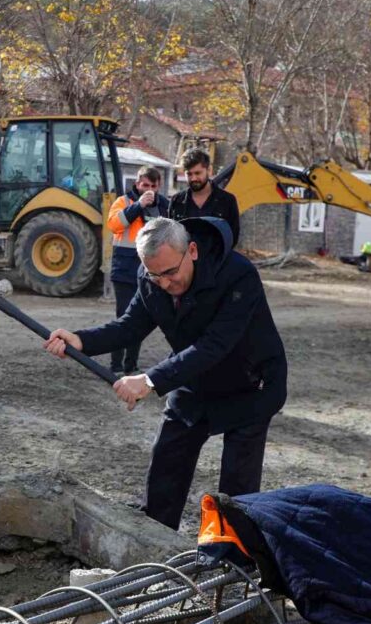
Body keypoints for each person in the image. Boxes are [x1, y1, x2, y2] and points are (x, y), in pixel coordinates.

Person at [44, 217, 288, 530]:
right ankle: (155, 540)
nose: (164, 283)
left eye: (171, 272)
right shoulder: (153, 278)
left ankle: (234, 556)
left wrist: (148, 380)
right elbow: (131, 325)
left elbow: (213, 346)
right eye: (154, 274)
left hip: (252, 382)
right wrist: (82, 340)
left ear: (193, 252)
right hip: (194, 379)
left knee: (237, 484)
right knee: (167, 463)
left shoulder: (238, 275)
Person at [106, 166, 170, 375]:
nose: (149, 189)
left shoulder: (164, 205)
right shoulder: (123, 202)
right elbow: (114, 225)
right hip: (124, 271)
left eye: (153, 186)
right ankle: (115, 366)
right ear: (137, 184)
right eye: (145, 185)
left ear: (158, 186)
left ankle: (130, 366)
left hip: (150, 272)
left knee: (140, 320)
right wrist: (138, 206)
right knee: (123, 318)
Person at [169, 149, 240, 247]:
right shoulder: (176, 201)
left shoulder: (227, 201)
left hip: (217, 260)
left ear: (209, 170)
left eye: (198, 173)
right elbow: (171, 235)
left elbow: (233, 238)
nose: (193, 178)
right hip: (185, 260)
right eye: (189, 174)